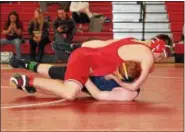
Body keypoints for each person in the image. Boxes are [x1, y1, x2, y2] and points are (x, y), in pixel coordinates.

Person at [9, 34, 173, 101]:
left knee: (63, 78)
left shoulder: (132, 41)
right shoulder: (147, 58)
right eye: (163, 55)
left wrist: (75, 46)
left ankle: (27, 79)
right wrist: (115, 77)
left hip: (90, 64)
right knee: (69, 92)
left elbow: (101, 43)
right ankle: (27, 80)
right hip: (87, 62)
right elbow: (135, 85)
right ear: (160, 51)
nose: (159, 59)